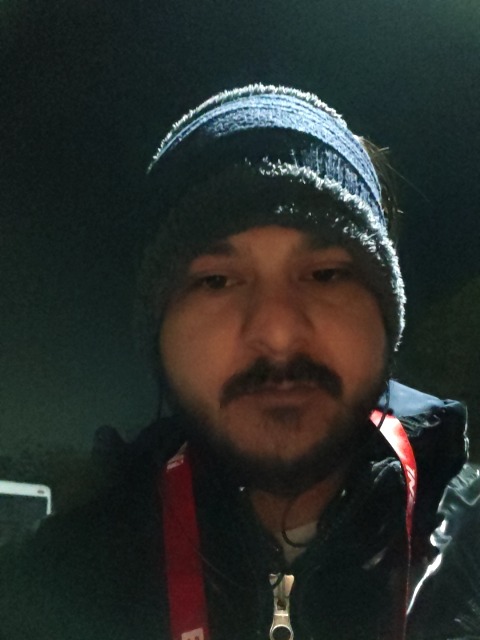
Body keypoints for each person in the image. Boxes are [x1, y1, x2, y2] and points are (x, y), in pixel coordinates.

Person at [0, 84, 472, 640]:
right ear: (157, 329)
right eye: (217, 281)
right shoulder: (59, 585)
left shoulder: (466, 545)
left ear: (388, 314)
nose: (277, 332)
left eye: (326, 274)